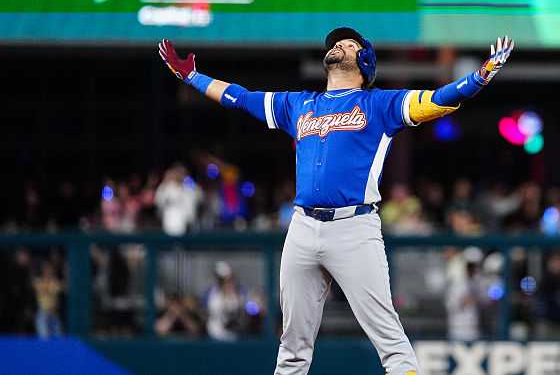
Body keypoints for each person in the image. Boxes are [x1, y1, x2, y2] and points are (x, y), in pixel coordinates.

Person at [158, 29, 514, 375]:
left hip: (354, 226)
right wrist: (193, 77)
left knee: (389, 337)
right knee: (292, 347)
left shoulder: (379, 104)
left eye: (347, 44)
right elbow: (241, 97)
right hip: (302, 226)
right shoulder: (299, 104)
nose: (339, 46)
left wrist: (479, 78)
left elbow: (435, 101)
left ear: (364, 62)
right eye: (336, 43)